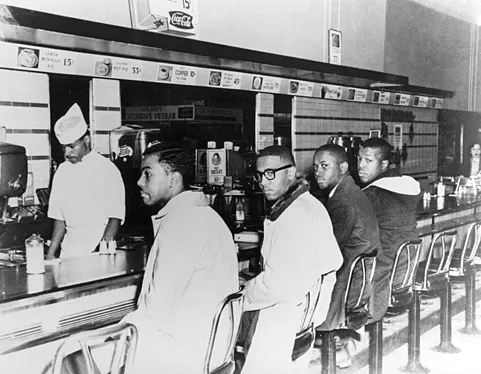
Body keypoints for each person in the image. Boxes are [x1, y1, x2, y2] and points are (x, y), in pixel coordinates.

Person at [120, 143, 239, 373]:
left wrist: (111, 337)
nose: (139, 182)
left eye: (147, 174)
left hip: (183, 355)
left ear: (173, 179)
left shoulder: (181, 224)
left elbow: (156, 312)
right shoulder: (208, 216)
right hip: (214, 350)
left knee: (72, 358)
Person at [241, 145, 343, 374]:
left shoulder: (295, 215)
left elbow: (276, 285)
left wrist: (241, 292)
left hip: (283, 318)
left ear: (290, 172)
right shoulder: (308, 204)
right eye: (259, 175)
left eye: (270, 173)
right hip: (306, 314)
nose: (263, 182)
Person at [312, 144, 381, 368]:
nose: (318, 172)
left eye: (325, 166)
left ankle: (335, 345)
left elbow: (329, 250)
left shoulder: (342, 200)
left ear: (342, 167)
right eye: (315, 167)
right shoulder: (350, 190)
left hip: (345, 284)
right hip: (357, 279)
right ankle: (342, 343)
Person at [47, 103, 125, 259]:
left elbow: (115, 217)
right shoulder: (62, 172)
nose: (67, 153)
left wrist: (100, 252)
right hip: (68, 252)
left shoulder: (107, 169)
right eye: (63, 148)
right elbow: (59, 219)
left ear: (87, 139)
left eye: (71, 146)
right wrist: (50, 254)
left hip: (98, 248)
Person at [357, 137, 421, 323]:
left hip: (382, 274)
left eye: (368, 161)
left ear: (384, 163)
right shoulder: (406, 187)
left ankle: (343, 331)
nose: (361, 165)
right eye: (359, 159)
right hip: (404, 268)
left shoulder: (372, 194)